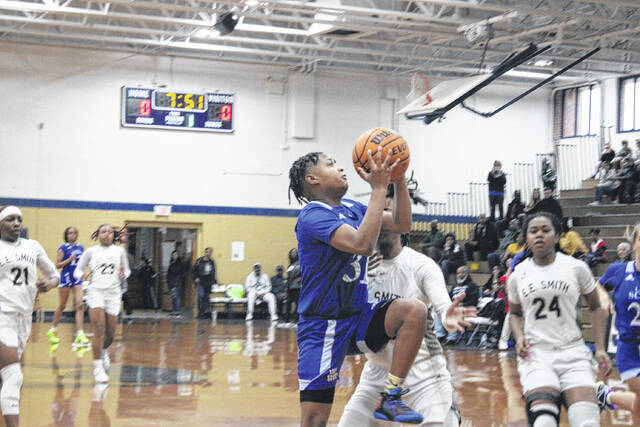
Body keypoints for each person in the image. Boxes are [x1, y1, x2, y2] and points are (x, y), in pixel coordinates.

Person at [288, 150, 428, 425]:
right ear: (312, 179)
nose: (341, 168)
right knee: (314, 420)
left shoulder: (353, 208)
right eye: (331, 164)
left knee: (414, 311)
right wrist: (377, 188)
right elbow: (362, 245)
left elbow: (402, 224)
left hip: (357, 317)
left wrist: (397, 181)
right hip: (322, 326)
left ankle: (391, 397)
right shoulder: (312, 215)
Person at [338, 224, 474, 427]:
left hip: (424, 377)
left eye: (389, 214)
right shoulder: (357, 269)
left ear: (402, 224)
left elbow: (443, 308)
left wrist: (448, 318)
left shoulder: (421, 265)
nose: (382, 221)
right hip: (376, 378)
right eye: (378, 212)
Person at [507, 212, 611, 427]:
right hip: (536, 355)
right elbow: (515, 313)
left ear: (556, 236)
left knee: (587, 423)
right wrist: (518, 337)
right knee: (544, 422)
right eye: (533, 231)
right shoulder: (518, 274)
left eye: (546, 230)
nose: (539, 235)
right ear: (526, 237)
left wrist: (600, 347)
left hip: (573, 353)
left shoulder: (576, 268)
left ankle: (594, 395)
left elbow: (595, 306)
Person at [0, 206, 59, 427]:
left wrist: (49, 284)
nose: (16, 223)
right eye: (10, 219)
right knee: (14, 375)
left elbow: (54, 276)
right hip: (2, 314)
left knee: (6, 375)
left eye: (19, 219)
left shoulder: (32, 246)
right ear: (0, 224)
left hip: (24, 318)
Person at [74, 224, 131, 383]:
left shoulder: (120, 252)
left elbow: (127, 270)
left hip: (113, 293)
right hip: (96, 292)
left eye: (109, 232)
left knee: (111, 333)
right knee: (98, 329)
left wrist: (123, 274)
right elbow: (77, 271)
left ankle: (104, 350)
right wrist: (82, 276)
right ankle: (97, 367)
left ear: (113, 235)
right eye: (103, 232)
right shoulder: (90, 251)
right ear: (97, 235)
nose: (106, 234)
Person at [593, 223, 640, 416]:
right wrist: (603, 296)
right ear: (634, 243)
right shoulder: (619, 270)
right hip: (629, 349)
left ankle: (606, 396)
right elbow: (596, 285)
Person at [48, 226, 90, 346]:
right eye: (69, 233)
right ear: (66, 235)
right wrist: (69, 259)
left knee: (80, 304)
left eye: (74, 233)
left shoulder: (81, 247)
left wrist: (83, 274)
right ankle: (53, 329)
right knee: (62, 305)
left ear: (77, 235)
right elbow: (57, 265)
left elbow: (81, 264)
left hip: (76, 277)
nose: (72, 235)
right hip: (66, 276)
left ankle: (80, 334)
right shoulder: (62, 248)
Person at [444, 266, 479, 344]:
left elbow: (474, 301)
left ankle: (452, 338)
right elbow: (449, 297)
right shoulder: (455, 286)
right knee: (438, 311)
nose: (459, 275)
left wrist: (463, 304)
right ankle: (440, 335)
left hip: (467, 308)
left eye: (461, 272)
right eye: (458, 273)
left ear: (466, 273)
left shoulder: (472, 286)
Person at [192, 247, 217, 319]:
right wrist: (195, 278)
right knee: (201, 295)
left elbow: (213, 272)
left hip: (208, 282)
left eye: (210, 252)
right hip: (200, 281)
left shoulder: (212, 262)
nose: (208, 253)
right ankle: (200, 312)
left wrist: (214, 282)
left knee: (206, 298)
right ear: (205, 253)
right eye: (207, 252)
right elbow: (193, 270)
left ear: (211, 253)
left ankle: (204, 313)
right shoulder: (199, 261)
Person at [167, 250, 185, 315]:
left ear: (178, 255)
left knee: (177, 296)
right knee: (173, 297)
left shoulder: (180, 263)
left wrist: (179, 281)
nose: (174, 256)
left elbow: (180, 272)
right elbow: (169, 274)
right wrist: (168, 282)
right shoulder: (171, 263)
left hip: (177, 282)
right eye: (173, 255)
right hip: (171, 282)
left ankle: (177, 311)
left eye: (176, 255)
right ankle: (174, 310)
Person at [285, 248, 301, 322]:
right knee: (288, 302)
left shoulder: (300, 263)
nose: (293, 253)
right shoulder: (290, 265)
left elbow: (304, 272)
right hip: (290, 286)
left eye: (295, 252)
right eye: (292, 252)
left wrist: (301, 278)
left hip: (297, 286)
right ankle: (287, 319)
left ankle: (296, 318)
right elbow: (288, 277)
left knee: (297, 303)